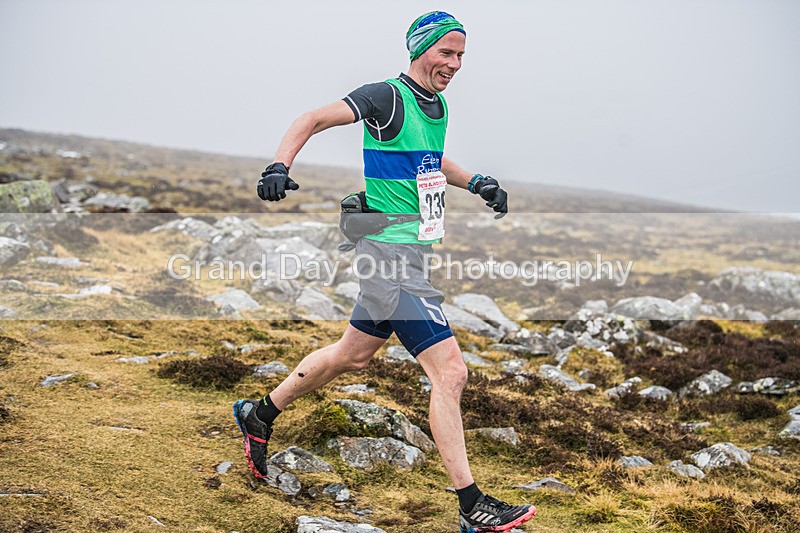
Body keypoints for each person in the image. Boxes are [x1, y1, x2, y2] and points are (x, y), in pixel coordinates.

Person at [233, 11, 536, 532]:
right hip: (387, 257)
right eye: (447, 53)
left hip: (410, 253)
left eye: (462, 55)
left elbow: (431, 161)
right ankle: (472, 507)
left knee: (351, 356)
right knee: (452, 373)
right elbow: (311, 118)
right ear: (421, 49)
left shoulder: (436, 104)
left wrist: (478, 181)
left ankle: (260, 413)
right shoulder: (385, 97)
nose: (456, 64)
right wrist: (278, 167)